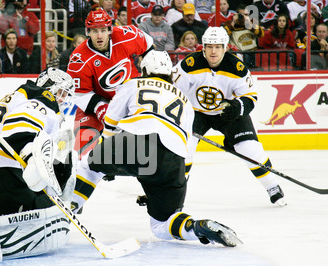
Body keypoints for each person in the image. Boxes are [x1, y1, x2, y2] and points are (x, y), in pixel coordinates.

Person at [71, 50, 242, 248]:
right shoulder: (185, 101)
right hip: (173, 161)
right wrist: (167, 184)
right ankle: (196, 227)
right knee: (162, 225)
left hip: (136, 141)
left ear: (144, 70)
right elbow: (187, 150)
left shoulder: (133, 84)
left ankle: (67, 210)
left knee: (88, 166)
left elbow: (110, 123)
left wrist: (104, 156)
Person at [172, 26, 286, 206]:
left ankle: (272, 186)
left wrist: (236, 107)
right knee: (183, 150)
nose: (213, 51)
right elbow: (172, 92)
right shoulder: (188, 65)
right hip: (196, 113)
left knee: (249, 149)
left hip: (228, 113)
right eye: (209, 46)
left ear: (225, 47)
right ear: (203, 47)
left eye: (218, 46)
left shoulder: (237, 68)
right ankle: (173, 193)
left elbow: (250, 97)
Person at [0, 67, 77, 262]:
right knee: (50, 214)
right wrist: (29, 155)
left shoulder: (21, 96)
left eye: (65, 95)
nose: (61, 99)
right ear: (49, 87)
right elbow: (19, 127)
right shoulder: (42, 98)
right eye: (60, 92)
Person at [66, 9, 154, 157]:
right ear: (87, 32)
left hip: (130, 99)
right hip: (97, 102)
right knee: (82, 146)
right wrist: (100, 107)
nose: (99, 35)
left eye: (103, 30)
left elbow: (148, 45)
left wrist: (150, 73)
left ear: (110, 29)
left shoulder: (126, 35)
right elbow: (80, 93)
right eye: (94, 31)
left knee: (147, 150)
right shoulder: (78, 59)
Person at [223, 3, 265, 67]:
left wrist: (249, 23)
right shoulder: (230, 23)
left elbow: (261, 34)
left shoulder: (252, 22)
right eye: (241, 15)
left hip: (252, 53)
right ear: (236, 14)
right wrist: (233, 22)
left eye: (246, 15)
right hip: (238, 54)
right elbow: (224, 35)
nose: (243, 17)